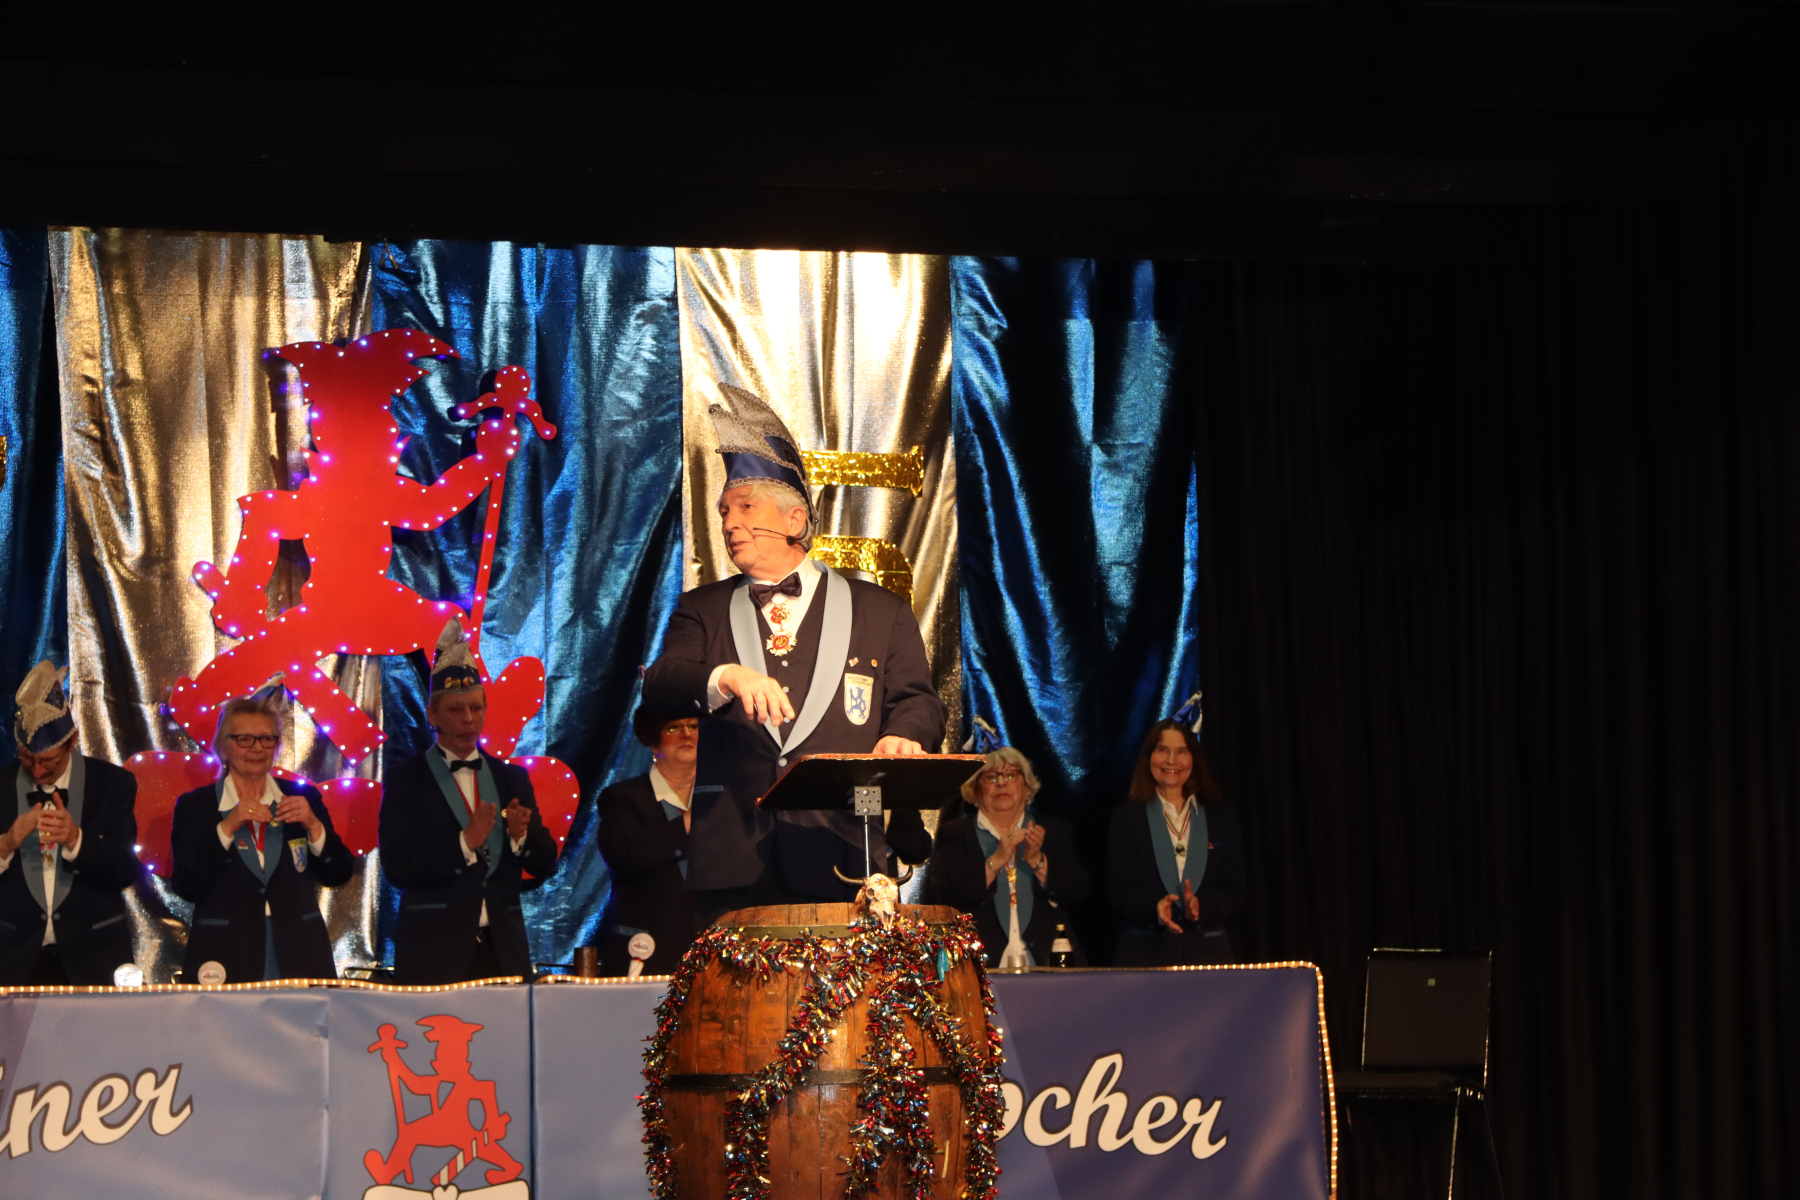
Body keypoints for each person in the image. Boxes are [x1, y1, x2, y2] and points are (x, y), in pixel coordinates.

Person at [642, 385, 941, 917]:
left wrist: (903, 735)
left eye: (745, 507)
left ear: (795, 521)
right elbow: (661, 683)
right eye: (724, 510)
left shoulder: (880, 611)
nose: (729, 523)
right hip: (733, 857)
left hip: (844, 851)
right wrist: (727, 677)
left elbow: (918, 701)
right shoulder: (703, 608)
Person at [379, 619, 559, 984]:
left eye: (476, 708)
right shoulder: (406, 780)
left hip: (503, 953)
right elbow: (398, 866)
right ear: (432, 715)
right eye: (455, 710)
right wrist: (464, 843)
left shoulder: (511, 778)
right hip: (434, 954)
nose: (468, 720)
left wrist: (521, 838)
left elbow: (544, 863)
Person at [171, 681, 354, 983]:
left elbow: (339, 873)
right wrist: (228, 826)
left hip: (299, 951)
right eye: (244, 739)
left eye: (267, 739)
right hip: (225, 951)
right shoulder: (197, 806)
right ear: (223, 747)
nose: (257, 748)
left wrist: (314, 826)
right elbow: (187, 884)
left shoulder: (302, 798)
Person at [0, 662, 143, 986]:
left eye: (47, 761)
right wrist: (6, 844)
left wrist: (77, 841)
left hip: (94, 958)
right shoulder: (2, 786)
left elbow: (125, 871)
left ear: (72, 741)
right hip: (12, 961)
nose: (37, 772)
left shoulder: (112, 784)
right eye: (27, 760)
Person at [923, 743, 1090, 969]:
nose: (1001, 783)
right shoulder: (956, 834)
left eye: (1011, 775)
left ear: (1027, 788)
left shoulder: (1053, 831)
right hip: (977, 965)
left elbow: (1078, 890)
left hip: (1048, 961)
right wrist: (997, 859)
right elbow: (941, 894)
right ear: (976, 791)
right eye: (990, 777)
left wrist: (1037, 860)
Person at [1107, 715, 1247, 967]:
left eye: (1181, 751)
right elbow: (1120, 893)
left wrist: (1201, 906)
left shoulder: (1221, 818)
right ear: (1148, 758)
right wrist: (1156, 907)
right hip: (1145, 956)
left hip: (1208, 955)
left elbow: (1234, 889)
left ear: (1194, 759)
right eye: (1162, 750)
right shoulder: (1126, 819)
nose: (1171, 761)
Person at [593, 706, 700, 975]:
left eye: (694, 726)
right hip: (648, 950)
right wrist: (685, 826)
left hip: (710, 949)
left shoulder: (720, 797)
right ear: (653, 741)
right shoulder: (622, 797)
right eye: (673, 727)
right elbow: (622, 853)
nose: (686, 734)